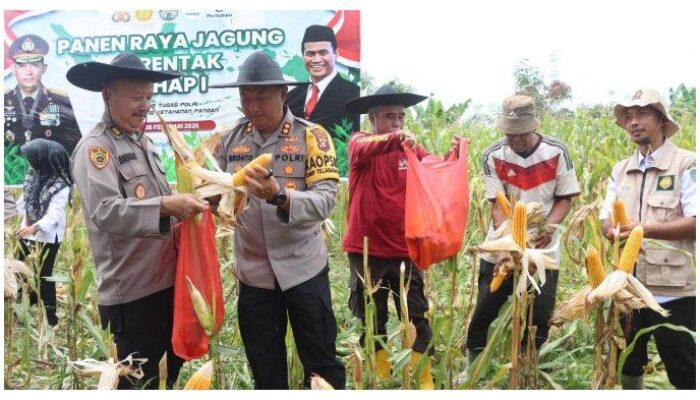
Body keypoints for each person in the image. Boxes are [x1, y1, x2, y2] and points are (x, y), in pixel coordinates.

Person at [66, 52, 209, 389]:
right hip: (133, 295)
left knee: (166, 378)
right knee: (139, 385)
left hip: (168, 284)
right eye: (136, 97)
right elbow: (106, 211)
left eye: (148, 97)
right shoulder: (95, 149)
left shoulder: (144, 142)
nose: (145, 105)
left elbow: (158, 201)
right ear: (108, 95)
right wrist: (167, 205)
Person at [211, 51, 345, 389]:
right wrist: (210, 201)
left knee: (320, 363)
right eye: (246, 98)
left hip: (303, 270)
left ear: (283, 95)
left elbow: (325, 201)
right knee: (265, 367)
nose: (253, 107)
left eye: (261, 98)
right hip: (254, 275)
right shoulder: (229, 141)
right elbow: (213, 192)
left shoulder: (312, 137)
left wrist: (278, 196)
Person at [342, 83, 459, 389]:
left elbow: (432, 167)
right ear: (373, 119)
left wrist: (452, 158)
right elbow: (362, 149)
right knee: (373, 316)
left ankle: (422, 378)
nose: (396, 122)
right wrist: (392, 139)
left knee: (416, 313)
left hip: (405, 247)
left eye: (401, 117)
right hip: (367, 249)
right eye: (389, 116)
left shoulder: (409, 147)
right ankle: (380, 376)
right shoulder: (360, 142)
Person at [466, 94, 580, 361]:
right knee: (485, 307)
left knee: (539, 315)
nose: (515, 140)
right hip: (505, 240)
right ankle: (473, 367)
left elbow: (565, 197)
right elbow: (497, 205)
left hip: (543, 247)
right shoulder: (493, 154)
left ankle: (527, 365)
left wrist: (549, 227)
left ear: (534, 128)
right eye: (510, 134)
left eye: (521, 134)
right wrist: (507, 245)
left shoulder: (556, 152)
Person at [600, 89, 695, 390]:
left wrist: (644, 229)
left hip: (673, 291)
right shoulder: (620, 170)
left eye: (642, 114)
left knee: (684, 370)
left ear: (662, 120)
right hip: (628, 286)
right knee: (627, 360)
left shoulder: (687, 165)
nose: (633, 122)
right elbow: (606, 217)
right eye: (628, 117)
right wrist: (610, 229)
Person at [15, 139, 72, 327]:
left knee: (44, 276)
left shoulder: (61, 185)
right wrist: (23, 224)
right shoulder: (34, 176)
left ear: (42, 159)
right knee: (18, 270)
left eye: (33, 158)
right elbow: (23, 204)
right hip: (28, 232)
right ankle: (18, 310)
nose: (30, 162)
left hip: (48, 236)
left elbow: (54, 215)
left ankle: (50, 319)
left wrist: (34, 227)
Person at [4, 34, 82, 157]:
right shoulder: (3, 100)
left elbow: (75, 148)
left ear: (44, 68)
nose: (28, 72)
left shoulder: (60, 101)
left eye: (34, 65)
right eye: (22, 66)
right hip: (10, 173)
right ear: (13, 69)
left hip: (48, 172)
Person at [286, 25, 361, 142]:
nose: (316, 60)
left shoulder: (354, 94)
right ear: (303, 56)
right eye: (310, 54)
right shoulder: (290, 99)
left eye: (323, 53)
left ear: (336, 54)